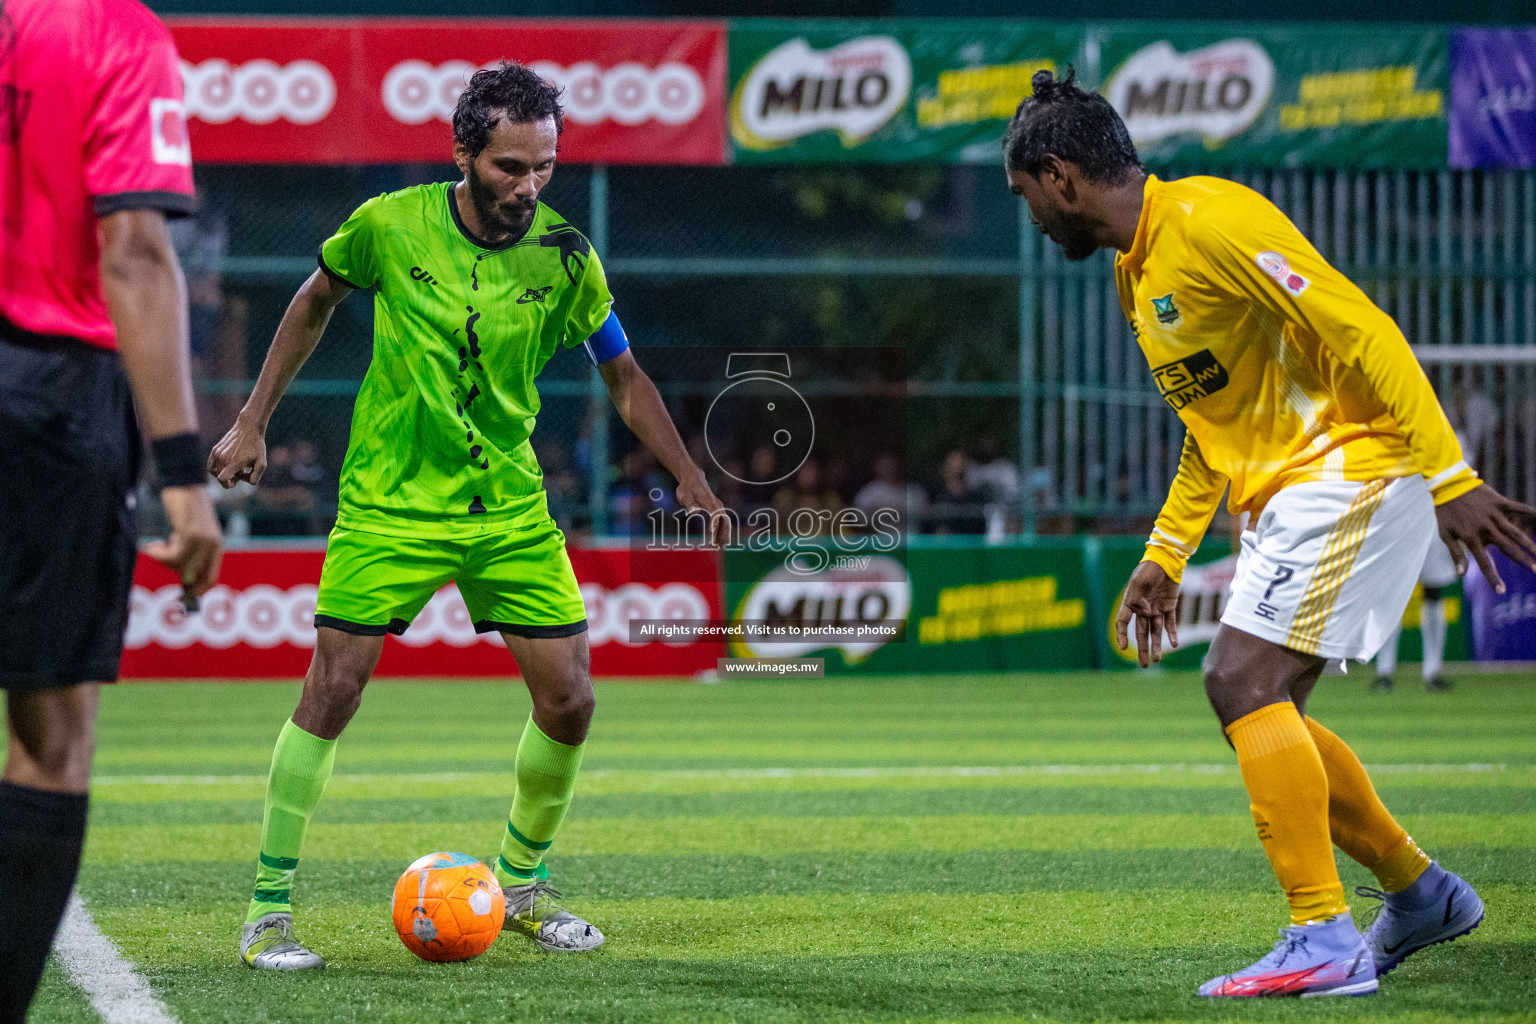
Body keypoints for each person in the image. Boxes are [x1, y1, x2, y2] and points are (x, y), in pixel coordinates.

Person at [1003, 68, 1536, 998]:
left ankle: (1323, 937)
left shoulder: (1211, 222)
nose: (1034, 221)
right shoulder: (1139, 274)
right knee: (1265, 702)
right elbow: (1216, 428)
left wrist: (1452, 475)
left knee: (1240, 679)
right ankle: (1420, 893)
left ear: (1059, 177)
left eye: (1026, 199)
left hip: (1353, 468)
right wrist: (1165, 553)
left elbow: (1364, 328)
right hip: (1296, 490)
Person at [209, 62, 724, 969]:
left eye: (545, 168)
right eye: (509, 167)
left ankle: (520, 883)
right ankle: (268, 910)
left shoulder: (567, 252)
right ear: (462, 153)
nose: (529, 187)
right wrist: (253, 420)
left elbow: (622, 372)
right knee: (332, 694)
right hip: (390, 502)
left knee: (570, 700)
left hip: (508, 509)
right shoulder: (389, 224)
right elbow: (312, 300)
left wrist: (688, 476)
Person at [0, 1, 224, 1018]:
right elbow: (134, 247)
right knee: (49, 740)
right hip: (48, 404)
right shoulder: (114, 33)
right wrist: (183, 472)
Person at [1372, 536, 1458, 693]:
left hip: (1432, 524)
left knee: (1433, 593)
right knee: (1392, 596)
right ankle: (1384, 672)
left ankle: (1432, 672)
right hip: (1399, 525)